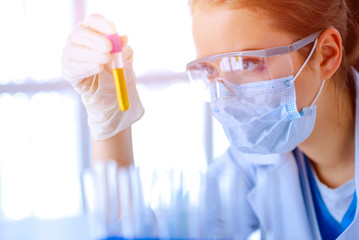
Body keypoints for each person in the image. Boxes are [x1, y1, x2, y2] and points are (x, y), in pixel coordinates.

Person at [62, 0, 359, 239]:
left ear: (326, 55)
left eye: (247, 63)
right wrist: (110, 120)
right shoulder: (252, 165)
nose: (226, 94)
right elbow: (139, 234)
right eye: (209, 70)